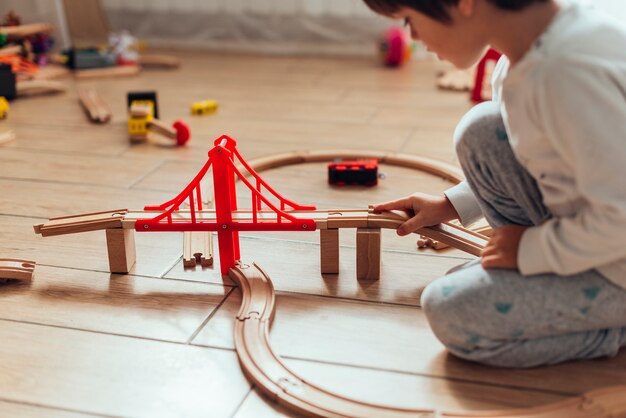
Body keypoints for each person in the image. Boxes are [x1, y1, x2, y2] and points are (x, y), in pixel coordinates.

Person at [366, 0, 626, 367]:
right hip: (595, 232)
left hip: (617, 258)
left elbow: (620, 221)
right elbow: (540, 157)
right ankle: (545, 276)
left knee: (448, 310)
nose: (413, 36)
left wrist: (532, 250)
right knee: (482, 129)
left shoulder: (569, 73)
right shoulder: (522, 58)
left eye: (410, 19)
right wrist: (452, 205)